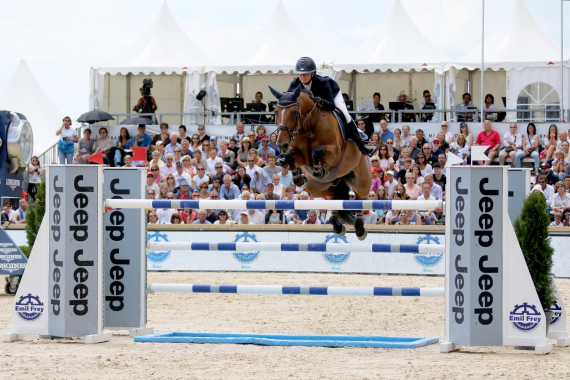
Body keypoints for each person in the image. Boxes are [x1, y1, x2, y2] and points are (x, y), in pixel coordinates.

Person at [279, 56, 375, 165]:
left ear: (313, 73)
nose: (302, 77)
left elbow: (331, 106)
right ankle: (286, 156)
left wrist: (321, 101)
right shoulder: (294, 85)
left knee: (345, 115)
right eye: (300, 74)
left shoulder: (323, 83)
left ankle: (363, 145)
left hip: (332, 96)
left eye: (305, 74)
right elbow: (289, 102)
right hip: (313, 109)